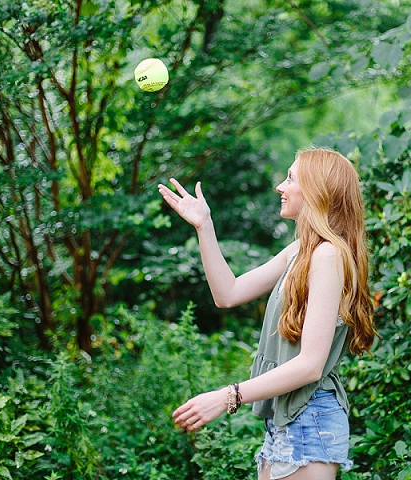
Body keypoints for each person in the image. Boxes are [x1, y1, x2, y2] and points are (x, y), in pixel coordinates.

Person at [157, 147, 377, 480]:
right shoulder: (303, 250)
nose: (280, 186)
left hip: (309, 418)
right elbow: (228, 294)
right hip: (287, 420)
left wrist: (228, 396)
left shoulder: (328, 255)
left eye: (290, 178)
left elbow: (310, 364)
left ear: (316, 191)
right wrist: (204, 226)